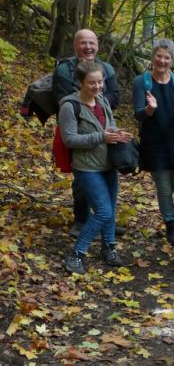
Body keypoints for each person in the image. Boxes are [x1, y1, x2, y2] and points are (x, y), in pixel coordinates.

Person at [59, 61, 132, 274]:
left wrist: (117, 134)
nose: (97, 86)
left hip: (108, 163)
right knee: (103, 210)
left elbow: (109, 125)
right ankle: (76, 254)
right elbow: (69, 139)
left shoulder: (102, 100)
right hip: (87, 167)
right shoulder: (69, 106)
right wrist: (102, 137)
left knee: (110, 208)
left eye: (100, 82)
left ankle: (109, 247)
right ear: (80, 82)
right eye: (92, 83)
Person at [53, 29, 121, 238]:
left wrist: (96, 99)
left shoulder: (106, 68)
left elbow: (115, 95)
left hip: (102, 124)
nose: (88, 47)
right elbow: (63, 97)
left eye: (92, 43)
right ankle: (81, 220)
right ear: (75, 45)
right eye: (83, 43)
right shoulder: (64, 69)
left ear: (98, 45)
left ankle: (104, 221)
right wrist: (89, 101)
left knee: (105, 173)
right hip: (76, 128)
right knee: (82, 177)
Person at [133, 39, 174, 247]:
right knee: (163, 189)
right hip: (154, 144)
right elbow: (138, 114)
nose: (162, 61)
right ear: (153, 57)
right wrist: (149, 109)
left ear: (172, 60)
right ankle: (170, 224)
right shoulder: (141, 82)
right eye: (159, 56)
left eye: (166, 57)